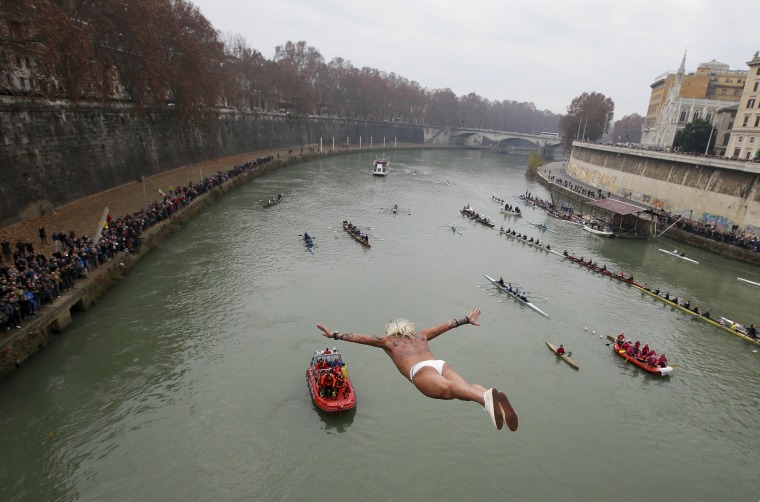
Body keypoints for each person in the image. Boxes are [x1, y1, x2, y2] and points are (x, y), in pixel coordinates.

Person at [316, 307, 517, 431]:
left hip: (420, 370)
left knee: (449, 391)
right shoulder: (421, 336)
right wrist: (466, 319)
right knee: (464, 388)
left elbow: (359, 338)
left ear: (391, 331)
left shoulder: (388, 340)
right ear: (408, 328)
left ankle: (485, 400)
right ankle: (488, 397)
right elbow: (445, 325)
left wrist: (333, 334)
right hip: (439, 364)